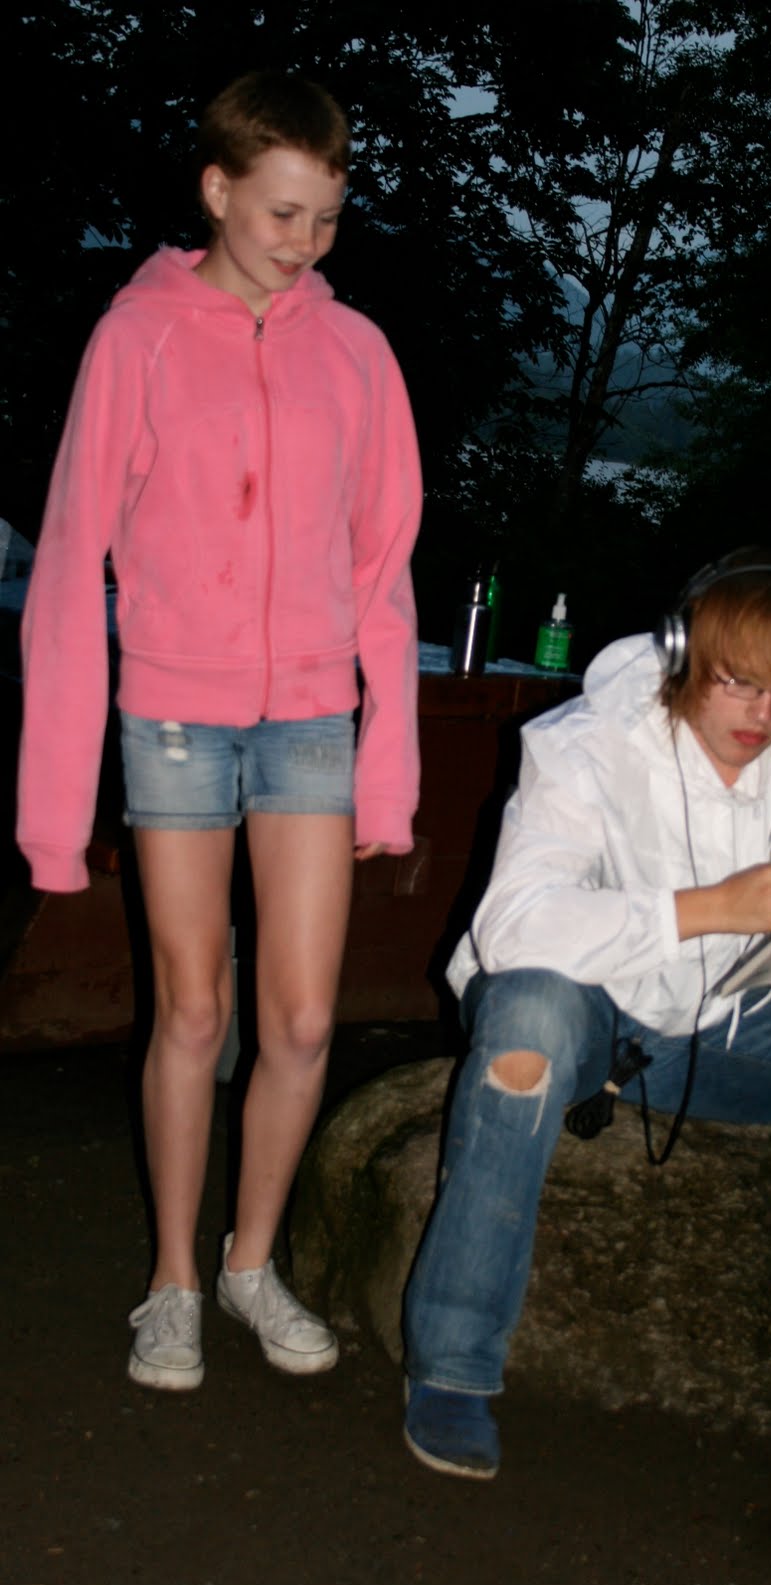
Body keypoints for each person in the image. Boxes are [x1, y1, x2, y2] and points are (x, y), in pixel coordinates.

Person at [401, 549, 771, 1532]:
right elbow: (512, 926)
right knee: (527, 1019)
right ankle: (453, 1367)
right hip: (597, 1017)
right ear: (685, 654)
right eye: (741, 682)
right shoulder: (584, 742)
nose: (764, 714)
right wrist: (706, 908)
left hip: (735, 1029)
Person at [17, 71, 422, 1391]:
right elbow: (69, 565)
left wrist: (387, 779)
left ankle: (250, 1263)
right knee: (194, 1011)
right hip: (174, 714)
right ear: (216, 188)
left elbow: (383, 572)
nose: (304, 242)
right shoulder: (136, 337)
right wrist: (52, 813)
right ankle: (173, 1283)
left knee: (299, 1020)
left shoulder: (355, 352)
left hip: (309, 714)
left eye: (326, 217)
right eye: (281, 213)